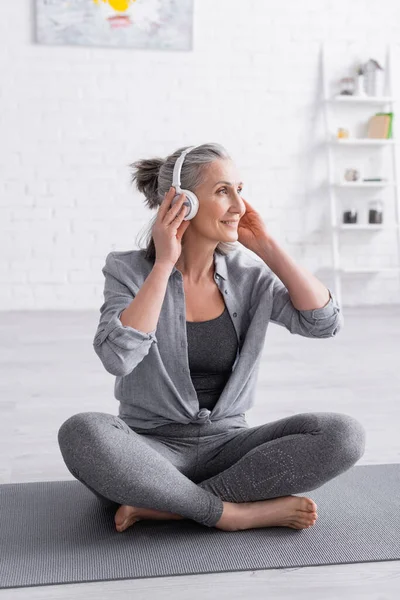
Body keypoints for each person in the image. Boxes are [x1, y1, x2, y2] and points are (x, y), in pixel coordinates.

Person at [58, 142, 366, 533]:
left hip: (230, 448)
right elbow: (117, 358)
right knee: (82, 431)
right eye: (223, 191)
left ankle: (167, 505)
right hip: (149, 449)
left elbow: (323, 323)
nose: (239, 204)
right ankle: (231, 513)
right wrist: (165, 263)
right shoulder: (128, 271)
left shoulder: (247, 275)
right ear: (181, 202)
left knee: (344, 434)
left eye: (240, 189)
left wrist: (267, 246)